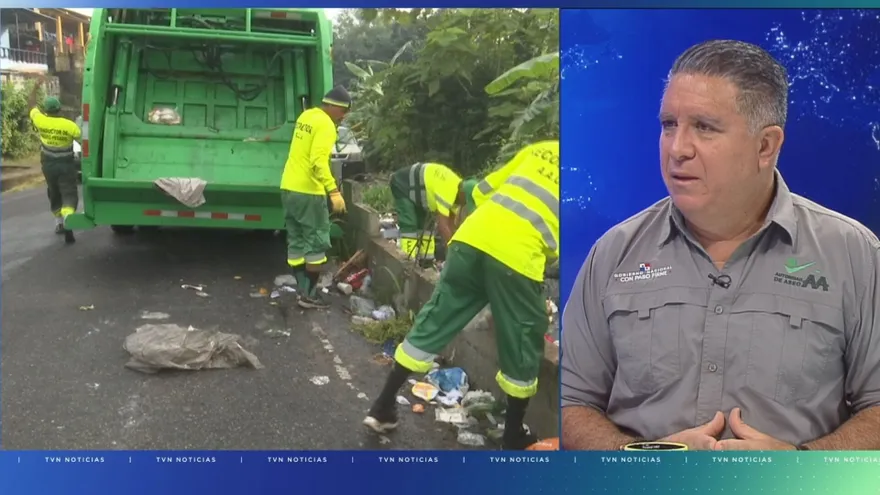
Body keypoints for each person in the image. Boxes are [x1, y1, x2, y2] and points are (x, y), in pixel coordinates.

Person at [560, 40, 880, 451]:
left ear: (766, 146)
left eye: (704, 127)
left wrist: (802, 467)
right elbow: (572, 402)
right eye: (669, 124)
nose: (677, 149)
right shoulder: (613, 254)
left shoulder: (853, 255)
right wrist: (639, 461)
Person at [364, 140, 559, 450]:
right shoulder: (594, 172)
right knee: (523, 343)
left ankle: (383, 406)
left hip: (470, 241)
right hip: (518, 258)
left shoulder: (542, 149)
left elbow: (479, 191)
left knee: (434, 320)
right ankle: (512, 435)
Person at [280, 86, 351, 309]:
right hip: (309, 192)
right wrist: (334, 191)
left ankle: (302, 290)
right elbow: (318, 162)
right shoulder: (326, 125)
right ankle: (309, 296)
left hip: (288, 188)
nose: (344, 116)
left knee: (297, 240)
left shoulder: (307, 116)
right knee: (316, 244)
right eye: (344, 111)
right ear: (335, 107)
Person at [27, 77, 81, 244]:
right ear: (59, 109)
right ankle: (67, 218)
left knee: (54, 192)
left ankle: (58, 223)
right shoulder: (70, 125)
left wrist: (35, 87)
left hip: (48, 165)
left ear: (46, 110)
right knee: (69, 193)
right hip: (66, 165)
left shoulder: (40, 120)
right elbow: (84, 143)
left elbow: (30, 105)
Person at [389, 162, 467, 263]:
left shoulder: (459, 196)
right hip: (403, 184)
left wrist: (455, 245)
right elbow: (443, 226)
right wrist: (454, 250)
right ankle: (407, 261)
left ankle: (427, 261)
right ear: (463, 194)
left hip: (420, 192)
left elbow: (450, 226)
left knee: (426, 226)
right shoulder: (448, 190)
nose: (465, 206)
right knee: (409, 223)